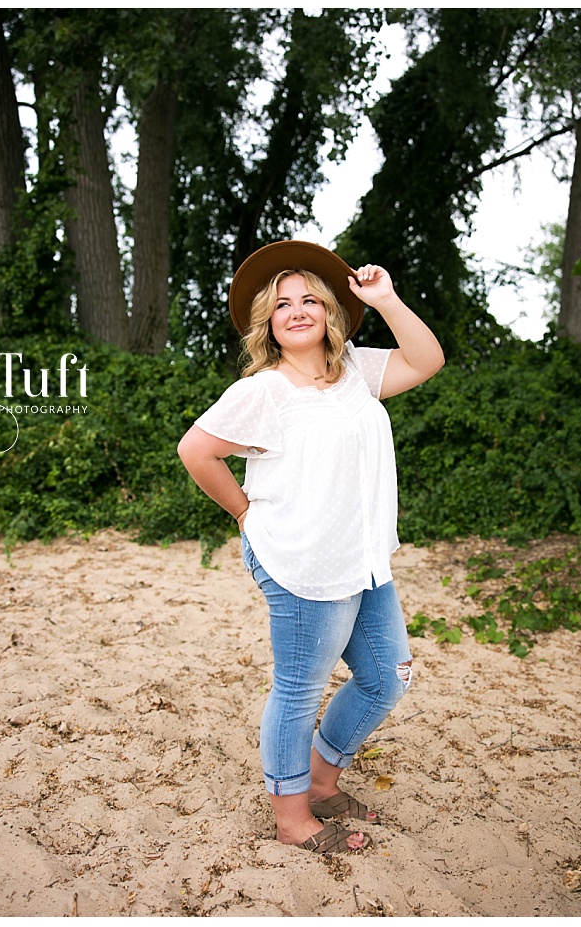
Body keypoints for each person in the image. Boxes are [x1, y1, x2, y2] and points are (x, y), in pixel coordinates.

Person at [175, 240, 444, 856]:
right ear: (268, 323)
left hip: (364, 557)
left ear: (328, 311)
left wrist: (386, 298)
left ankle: (322, 783)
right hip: (301, 559)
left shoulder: (355, 371)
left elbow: (426, 360)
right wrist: (244, 514)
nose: (297, 310)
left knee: (386, 677)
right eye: (282, 304)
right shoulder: (263, 391)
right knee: (299, 689)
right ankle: (292, 818)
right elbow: (197, 451)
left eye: (309, 300)